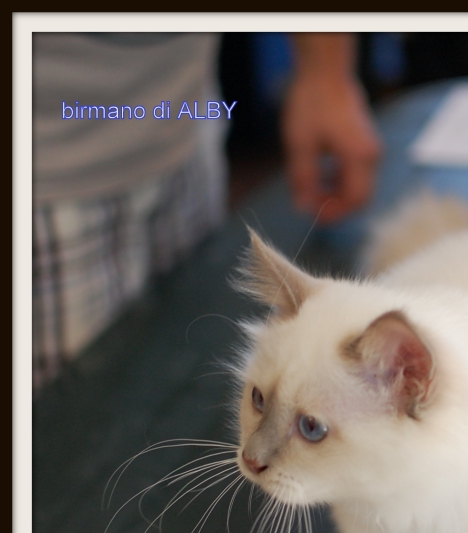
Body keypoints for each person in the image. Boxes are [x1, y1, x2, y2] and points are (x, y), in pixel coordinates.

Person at [32, 32, 381, 392]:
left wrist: (324, 73)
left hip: (188, 122)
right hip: (44, 180)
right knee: (79, 402)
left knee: (193, 368)